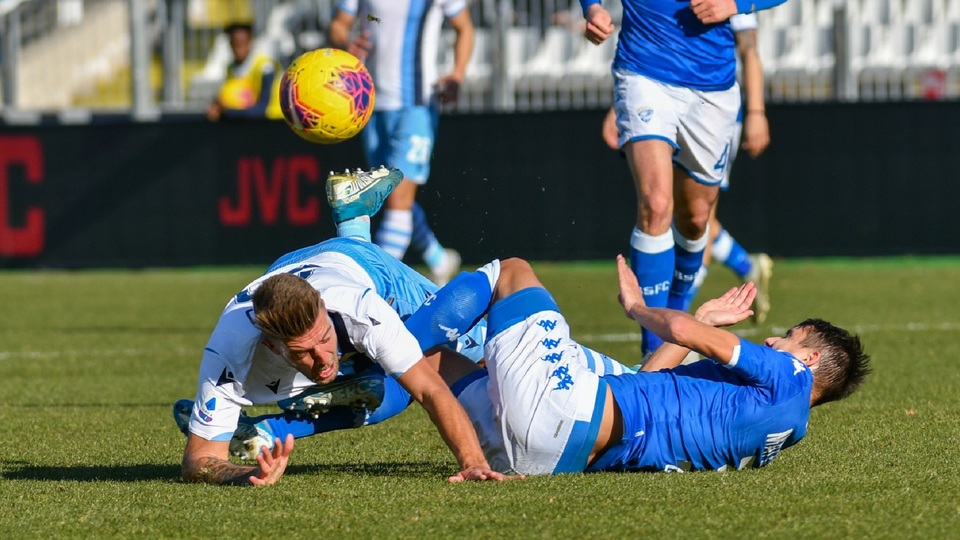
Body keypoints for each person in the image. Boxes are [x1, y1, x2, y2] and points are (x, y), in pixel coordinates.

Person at [174, 165, 505, 486]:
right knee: (375, 390)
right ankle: (352, 218)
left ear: (323, 308)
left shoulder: (362, 310)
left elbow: (430, 389)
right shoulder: (230, 349)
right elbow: (198, 461)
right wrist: (246, 475)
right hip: (291, 267)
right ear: (272, 345)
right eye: (304, 352)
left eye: (323, 339)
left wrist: (473, 463)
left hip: (367, 272)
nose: (322, 358)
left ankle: (352, 223)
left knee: (473, 349)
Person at [402, 255, 871, 475]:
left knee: (513, 272)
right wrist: (703, 317)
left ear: (809, 359)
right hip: (543, 458)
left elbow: (684, 335)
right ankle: (356, 370)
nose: (772, 340)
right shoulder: (782, 431)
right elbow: (647, 386)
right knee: (422, 362)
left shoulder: (787, 375)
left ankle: (355, 336)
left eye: (788, 337)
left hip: (562, 407)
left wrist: (638, 308)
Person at [581, 0, 787, 355]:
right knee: (657, 204)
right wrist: (593, 8)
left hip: (712, 90)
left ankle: (675, 318)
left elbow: (750, 48)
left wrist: (738, 4)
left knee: (695, 220)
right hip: (642, 71)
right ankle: (652, 352)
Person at [328, 0, 474, 285]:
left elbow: (464, 27)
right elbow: (338, 25)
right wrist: (346, 42)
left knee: (397, 198)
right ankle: (438, 258)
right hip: (369, 105)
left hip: (416, 104)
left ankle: (372, 282)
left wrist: (457, 74)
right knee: (391, 197)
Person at [206, 22, 284, 122]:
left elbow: (262, 108)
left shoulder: (265, 67)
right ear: (230, 44)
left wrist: (228, 112)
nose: (239, 48)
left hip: (274, 123)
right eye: (235, 43)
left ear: (251, 42)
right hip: (248, 123)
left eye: (242, 42)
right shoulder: (230, 68)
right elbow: (231, 95)